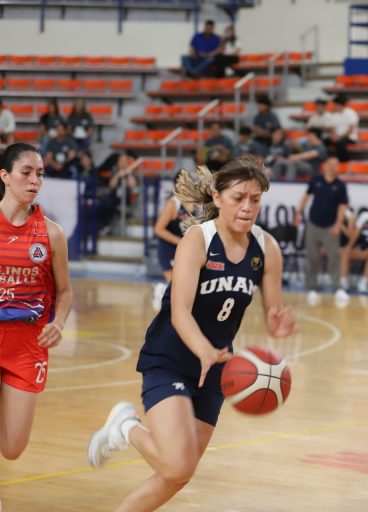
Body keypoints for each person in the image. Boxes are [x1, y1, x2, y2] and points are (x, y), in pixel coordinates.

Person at [87, 158, 295, 511]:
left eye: (255, 200)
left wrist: (278, 323)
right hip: (171, 357)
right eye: (239, 198)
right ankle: (126, 428)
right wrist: (202, 349)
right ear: (217, 196)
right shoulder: (198, 240)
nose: (247, 207)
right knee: (177, 466)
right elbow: (179, 311)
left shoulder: (267, 248)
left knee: (179, 475)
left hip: (217, 367)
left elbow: (272, 310)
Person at [0, 143, 73, 461]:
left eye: (40, 174)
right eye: (26, 172)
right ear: (5, 176)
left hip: (28, 344)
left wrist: (59, 323)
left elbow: (65, 292)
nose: (34, 180)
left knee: (13, 448)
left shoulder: (52, 234)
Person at [293, 156, 350, 307]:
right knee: (312, 257)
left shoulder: (341, 185)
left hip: (331, 226)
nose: (332, 167)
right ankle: (312, 288)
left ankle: (337, 288)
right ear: (324, 166)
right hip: (313, 224)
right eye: (330, 164)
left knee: (334, 257)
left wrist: (338, 224)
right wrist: (298, 212)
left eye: (335, 165)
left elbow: (342, 206)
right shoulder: (316, 180)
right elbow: (306, 196)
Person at [152, 172, 197, 311]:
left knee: (186, 287)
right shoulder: (173, 203)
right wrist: (180, 241)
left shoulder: (195, 205)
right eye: (181, 183)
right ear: (176, 185)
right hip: (169, 248)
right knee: (176, 286)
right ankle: (161, 291)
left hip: (184, 251)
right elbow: (158, 229)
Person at [328, 94, 358, 162]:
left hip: (349, 137)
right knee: (324, 141)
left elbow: (350, 130)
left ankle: (343, 162)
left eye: (335, 105)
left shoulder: (351, 113)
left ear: (340, 105)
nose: (334, 107)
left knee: (340, 143)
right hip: (337, 137)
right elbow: (333, 128)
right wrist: (333, 136)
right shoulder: (335, 115)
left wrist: (338, 138)